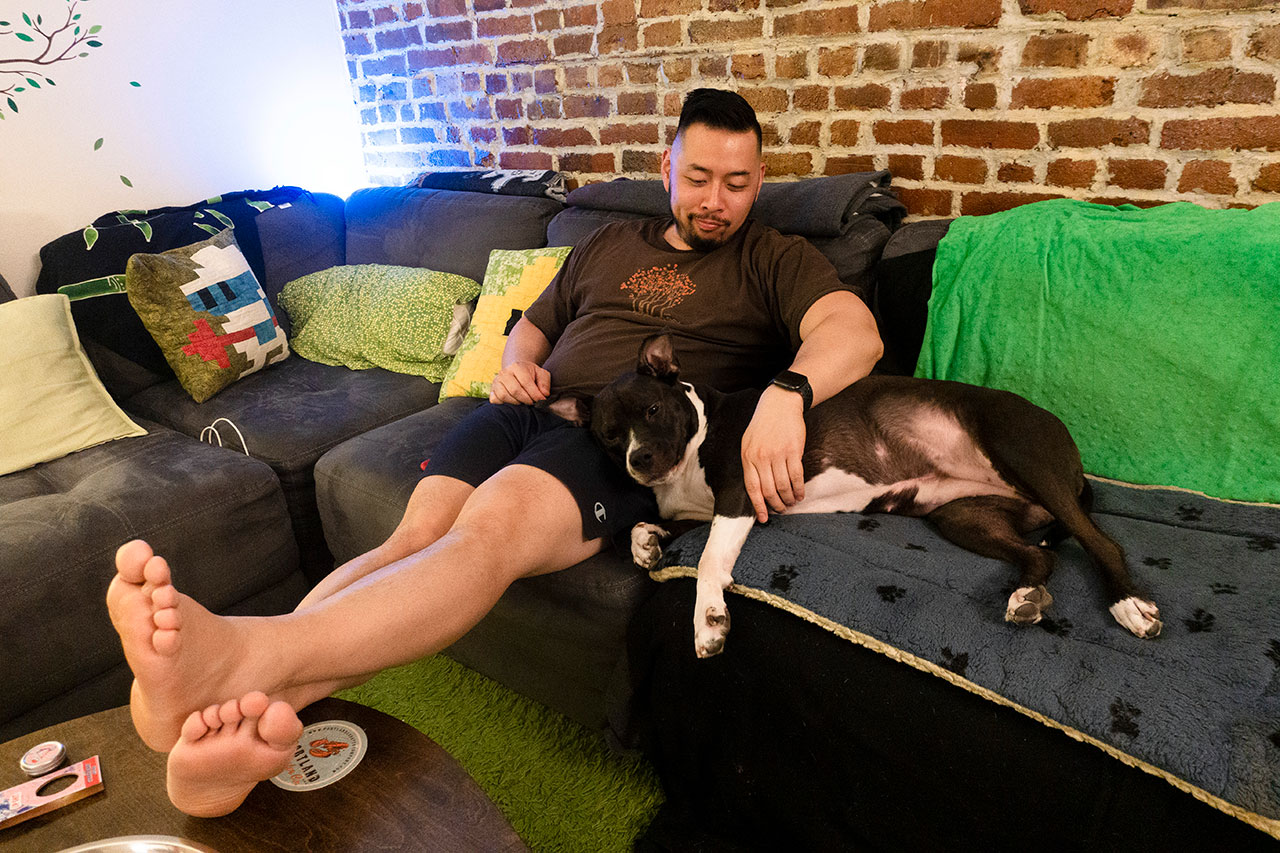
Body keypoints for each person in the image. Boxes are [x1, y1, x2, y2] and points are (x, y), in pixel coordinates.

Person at [105, 88, 884, 817]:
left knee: (484, 535)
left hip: (618, 442)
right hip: (525, 411)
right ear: (667, 169)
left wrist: (787, 393)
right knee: (413, 539)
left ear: (759, 183)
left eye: (738, 184)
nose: (717, 201)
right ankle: (245, 721)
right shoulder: (610, 239)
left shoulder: (773, 258)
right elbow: (533, 323)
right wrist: (516, 362)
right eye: (700, 177)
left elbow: (856, 332)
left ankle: (242, 658)